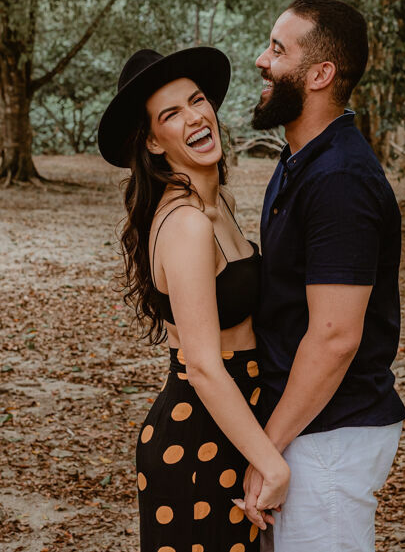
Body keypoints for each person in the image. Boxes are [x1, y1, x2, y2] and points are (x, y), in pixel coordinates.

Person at [97, 47, 290, 552]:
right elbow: (203, 365)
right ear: (155, 143)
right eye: (171, 114)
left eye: (197, 100)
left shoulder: (215, 205)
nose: (194, 117)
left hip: (235, 425)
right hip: (196, 438)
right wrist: (270, 461)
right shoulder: (184, 222)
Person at [243, 0, 405, 551]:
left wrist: (268, 447)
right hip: (305, 426)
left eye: (277, 49)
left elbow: (336, 338)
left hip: (328, 437)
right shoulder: (302, 160)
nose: (261, 60)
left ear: (320, 74)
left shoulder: (340, 179)